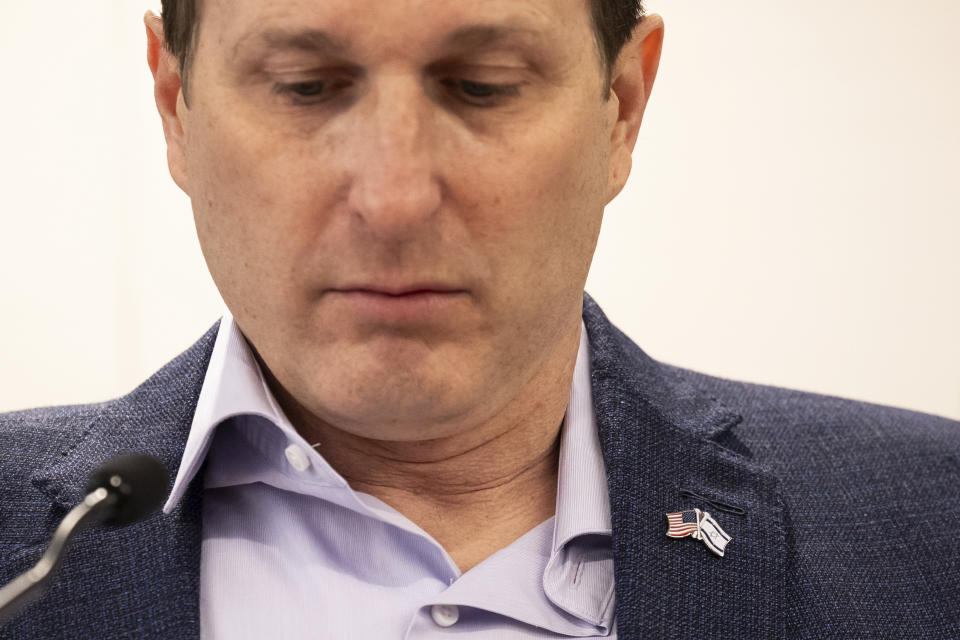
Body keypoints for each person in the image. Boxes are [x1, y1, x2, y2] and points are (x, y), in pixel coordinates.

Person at [0, 0, 957, 638]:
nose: (394, 196)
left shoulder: (931, 527)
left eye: (481, 86)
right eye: (305, 87)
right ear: (175, 107)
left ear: (620, 108)